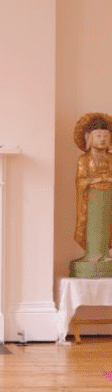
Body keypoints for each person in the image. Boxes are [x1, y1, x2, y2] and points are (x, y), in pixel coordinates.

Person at [72, 112, 112, 277]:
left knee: (106, 224)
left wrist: (99, 179)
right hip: (92, 199)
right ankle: (92, 254)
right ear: (89, 138)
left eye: (105, 136)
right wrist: (97, 180)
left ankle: (104, 254)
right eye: (98, 135)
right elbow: (81, 180)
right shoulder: (83, 159)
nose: (102, 139)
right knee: (93, 225)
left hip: (108, 197)